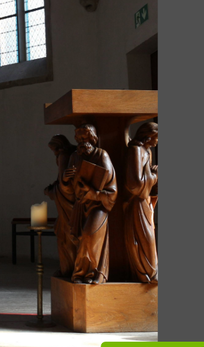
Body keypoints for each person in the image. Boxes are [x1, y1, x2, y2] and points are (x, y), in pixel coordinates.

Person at [63, 124, 117, 284]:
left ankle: (93, 273)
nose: (82, 141)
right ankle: (80, 273)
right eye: (79, 138)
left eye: (85, 138)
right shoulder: (74, 157)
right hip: (80, 205)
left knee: (89, 235)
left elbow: (111, 186)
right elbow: (69, 189)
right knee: (80, 239)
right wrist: (65, 179)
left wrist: (93, 192)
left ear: (93, 138)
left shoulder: (101, 155)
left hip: (98, 204)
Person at [124, 122, 159, 283]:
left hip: (145, 201)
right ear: (148, 135)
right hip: (137, 203)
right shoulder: (136, 150)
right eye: (156, 137)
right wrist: (154, 176)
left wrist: (153, 177)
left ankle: (151, 272)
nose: (157, 141)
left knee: (149, 236)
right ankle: (147, 272)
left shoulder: (147, 151)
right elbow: (134, 184)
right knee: (144, 239)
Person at [43, 135, 77, 278]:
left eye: (55, 150)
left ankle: (70, 269)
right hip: (67, 203)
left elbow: (64, 185)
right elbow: (62, 180)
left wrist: (51, 191)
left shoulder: (64, 155)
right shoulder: (69, 154)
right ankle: (69, 269)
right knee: (65, 235)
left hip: (68, 204)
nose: (55, 153)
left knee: (67, 237)